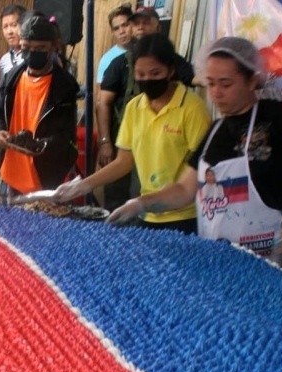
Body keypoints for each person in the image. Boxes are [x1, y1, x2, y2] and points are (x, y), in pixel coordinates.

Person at [107, 37, 282, 268]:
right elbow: (185, 189)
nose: (216, 93)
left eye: (226, 84)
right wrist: (141, 203)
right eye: (211, 83)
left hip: (269, 256)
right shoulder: (216, 130)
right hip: (217, 257)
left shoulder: (279, 118)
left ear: (252, 80)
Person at [55, 34, 210, 234]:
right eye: (140, 74)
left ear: (171, 70)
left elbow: (200, 172)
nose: (147, 80)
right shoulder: (134, 107)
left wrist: (140, 203)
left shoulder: (193, 109)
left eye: (155, 73)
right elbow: (123, 162)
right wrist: (84, 185)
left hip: (186, 215)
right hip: (148, 213)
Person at [98, 5, 195, 203]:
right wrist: (105, 142)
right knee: (116, 198)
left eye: (146, 23)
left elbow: (193, 78)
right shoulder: (118, 63)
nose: (140, 28)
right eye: (136, 23)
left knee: (143, 197)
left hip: (158, 147)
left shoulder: (173, 62)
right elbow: (103, 103)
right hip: (123, 142)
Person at [0, 13, 79, 199]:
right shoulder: (10, 78)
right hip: (8, 176)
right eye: (26, 47)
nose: (32, 52)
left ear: (54, 46)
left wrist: (40, 146)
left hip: (46, 179)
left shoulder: (64, 87)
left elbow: (65, 135)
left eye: (40, 48)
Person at [98, 5, 133, 86]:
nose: (121, 31)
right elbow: (101, 94)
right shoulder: (107, 60)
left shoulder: (144, 51)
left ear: (133, 24)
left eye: (125, 25)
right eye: (116, 28)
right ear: (112, 32)